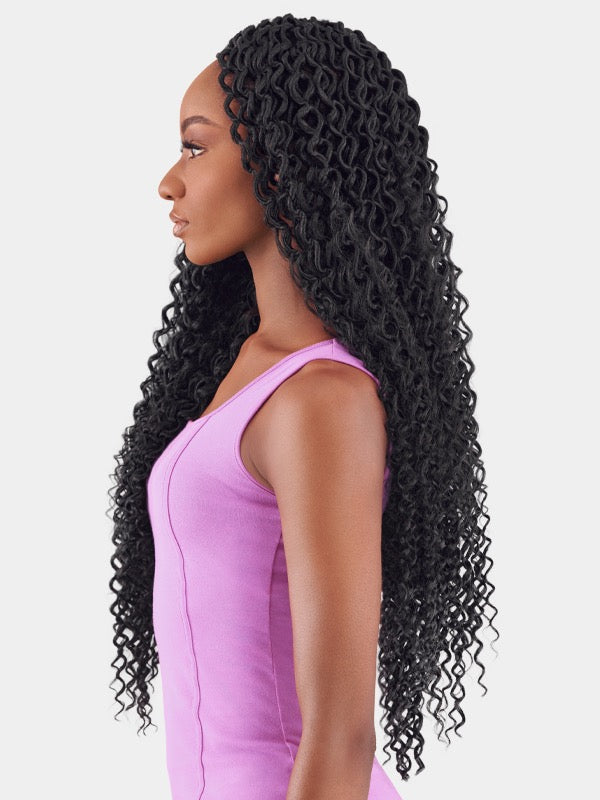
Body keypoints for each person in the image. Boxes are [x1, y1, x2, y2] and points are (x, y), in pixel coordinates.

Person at [108, 13, 498, 800]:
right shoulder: (250, 367)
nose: (169, 182)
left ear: (279, 164)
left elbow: (342, 735)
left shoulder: (322, 400)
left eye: (195, 148)